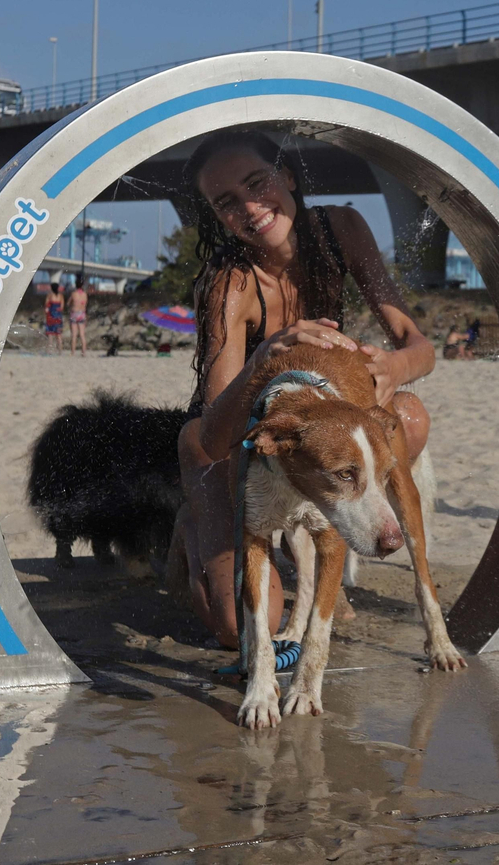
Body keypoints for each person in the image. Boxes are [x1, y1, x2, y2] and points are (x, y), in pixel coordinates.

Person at [175, 130, 436, 650]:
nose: (250, 207)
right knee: (240, 629)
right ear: (216, 215)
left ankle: (314, 539)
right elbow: (217, 433)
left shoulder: (340, 228)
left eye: (258, 183)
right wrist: (264, 354)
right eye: (227, 202)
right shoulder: (231, 282)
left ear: (289, 176)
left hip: (310, 432)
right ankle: (191, 521)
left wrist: (393, 367)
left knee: (408, 417)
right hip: (229, 449)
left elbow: (418, 346)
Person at [67, 283, 89, 356]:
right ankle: (83, 352)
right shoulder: (85, 294)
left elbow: (68, 303)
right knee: (82, 335)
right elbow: (85, 304)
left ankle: (73, 352)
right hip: (82, 314)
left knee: (74, 335)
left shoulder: (74, 294)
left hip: (74, 313)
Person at [44, 283, 65, 353]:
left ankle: (49, 350)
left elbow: (46, 307)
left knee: (50, 334)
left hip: (51, 316)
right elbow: (61, 307)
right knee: (58, 335)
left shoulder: (50, 295)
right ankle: (60, 351)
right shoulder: (61, 296)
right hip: (58, 317)